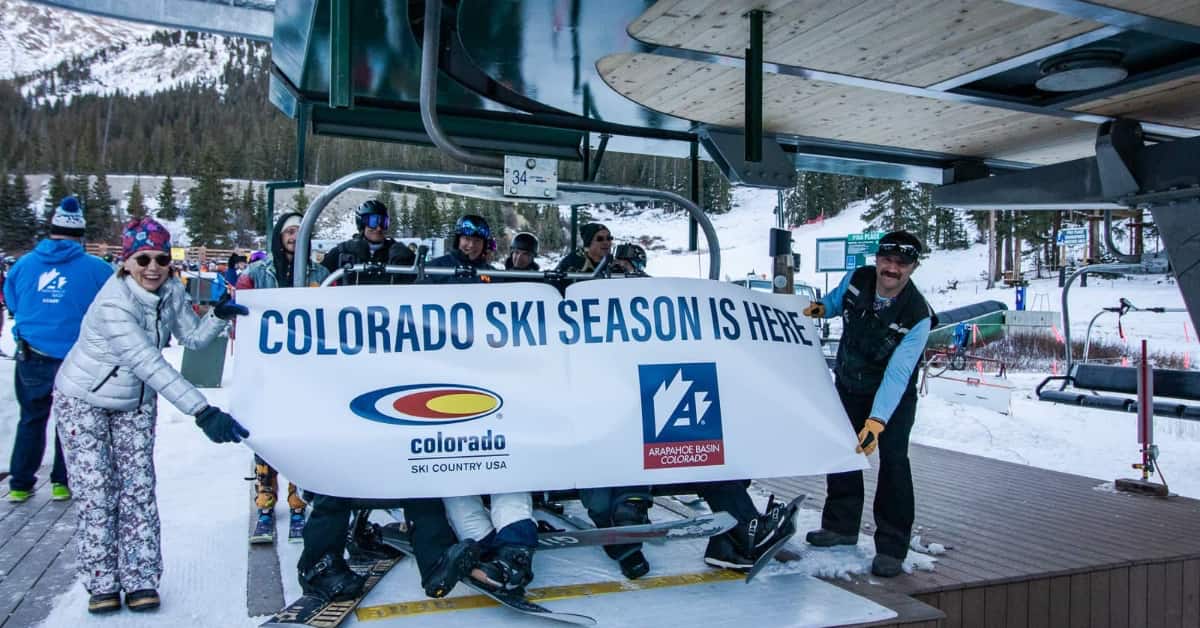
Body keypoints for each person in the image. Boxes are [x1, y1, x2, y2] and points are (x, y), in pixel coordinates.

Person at [53, 217, 250, 613]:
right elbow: (147, 362)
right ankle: (102, 583)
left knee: (139, 488)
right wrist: (203, 411)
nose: (154, 268)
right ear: (126, 262)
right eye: (142, 259)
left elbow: (191, 337)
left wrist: (218, 315)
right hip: (83, 400)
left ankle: (141, 579)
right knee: (98, 493)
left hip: (136, 401)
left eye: (162, 258)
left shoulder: (171, 290)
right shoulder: (113, 304)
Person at [801, 230, 935, 578]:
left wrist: (876, 421)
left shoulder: (918, 316)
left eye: (901, 264)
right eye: (887, 260)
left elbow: (898, 373)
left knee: (892, 462)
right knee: (844, 451)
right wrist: (814, 310)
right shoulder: (858, 278)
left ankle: (891, 546)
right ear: (877, 259)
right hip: (849, 382)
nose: (892, 269)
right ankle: (841, 526)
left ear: (913, 268)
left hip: (891, 395)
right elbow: (833, 302)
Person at [424, 214, 540, 594]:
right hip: (441, 382)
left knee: (505, 463)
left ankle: (510, 552)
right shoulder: (435, 270)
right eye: (464, 239)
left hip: (488, 379)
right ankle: (495, 551)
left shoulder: (492, 275)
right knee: (452, 468)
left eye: (476, 241)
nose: (469, 246)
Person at [3, 197, 112, 504]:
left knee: (31, 418)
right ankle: (62, 482)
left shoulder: (23, 265)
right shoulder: (97, 269)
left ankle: (20, 483)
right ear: (81, 235)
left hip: (32, 354)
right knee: (72, 420)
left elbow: (12, 303)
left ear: (50, 229)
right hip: (77, 357)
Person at [236, 213, 331, 539]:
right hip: (268, 371)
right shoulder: (257, 274)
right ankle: (264, 504)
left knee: (301, 438)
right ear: (280, 236)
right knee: (266, 439)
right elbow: (241, 317)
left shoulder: (322, 274)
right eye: (290, 231)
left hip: (307, 372)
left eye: (300, 231)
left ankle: (297, 503)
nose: (294, 237)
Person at [319, 200, 415, 285]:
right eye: (373, 222)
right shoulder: (344, 251)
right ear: (362, 223)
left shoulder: (397, 252)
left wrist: (409, 258)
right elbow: (319, 275)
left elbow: (420, 279)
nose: (378, 228)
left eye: (383, 222)